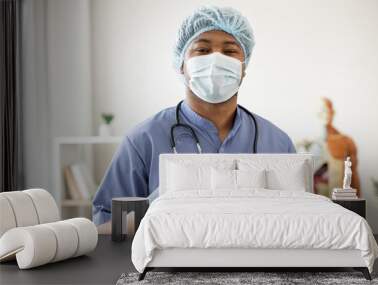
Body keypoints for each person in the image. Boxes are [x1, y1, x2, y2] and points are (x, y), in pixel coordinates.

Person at [92, 6, 296, 227]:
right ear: (182, 64)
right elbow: (107, 225)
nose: (216, 59)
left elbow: (300, 221)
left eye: (229, 52)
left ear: (243, 67)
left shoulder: (278, 143)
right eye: (202, 50)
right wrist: (157, 210)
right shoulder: (143, 140)